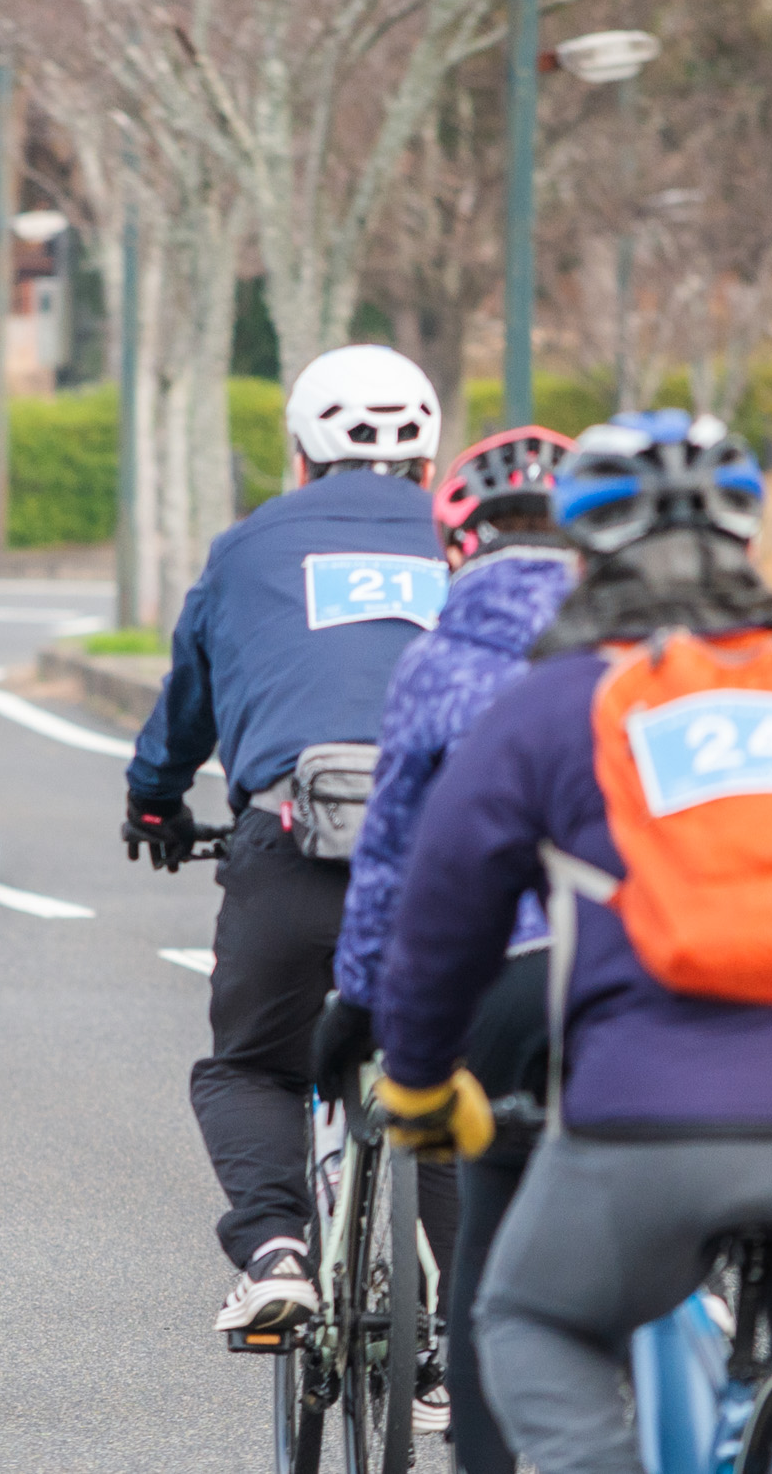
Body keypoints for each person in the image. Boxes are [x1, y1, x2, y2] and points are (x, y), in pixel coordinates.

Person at [372, 410, 772, 1474]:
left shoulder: (556, 703)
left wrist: (420, 1081)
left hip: (650, 1117)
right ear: (750, 542)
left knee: (531, 1321)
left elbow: (444, 906)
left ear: (582, 553)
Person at [120, 342, 448, 1335]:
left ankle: (275, 1250)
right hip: (445, 849)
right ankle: (443, 1336)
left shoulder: (250, 545)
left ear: (299, 458)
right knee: (456, 1076)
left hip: (293, 838)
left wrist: (155, 802)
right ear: (429, 463)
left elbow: (190, 699)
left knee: (254, 1065)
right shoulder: (460, 540)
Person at [313, 424, 578, 1468]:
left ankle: (484, 1430)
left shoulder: (439, 664)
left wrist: (361, 998)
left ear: (459, 547)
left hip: (502, 978)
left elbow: (390, 854)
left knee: (488, 1223)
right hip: (654, 968)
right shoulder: (650, 659)